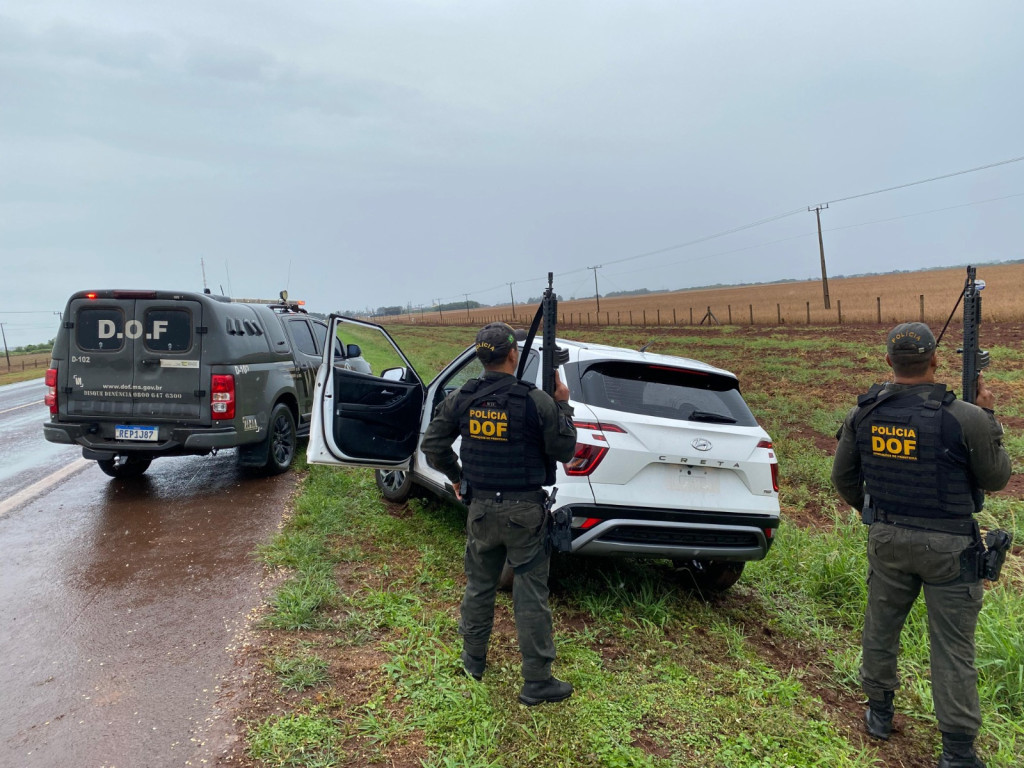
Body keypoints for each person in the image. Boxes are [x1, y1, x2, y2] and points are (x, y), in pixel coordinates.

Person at [831, 322, 1011, 768]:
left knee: (881, 625)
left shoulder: (864, 413)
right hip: (950, 547)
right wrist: (988, 416)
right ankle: (957, 751)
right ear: (935, 361)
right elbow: (997, 478)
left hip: (887, 536)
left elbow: (843, 478)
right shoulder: (965, 417)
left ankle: (878, 714)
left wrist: (875, 514)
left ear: (889, 362)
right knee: (952, 646)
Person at [420, 322, 578, 705]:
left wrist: (459, 479)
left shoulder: (462, 397)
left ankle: (473, 661)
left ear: (479, 356)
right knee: (530, 593)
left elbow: (432, 446)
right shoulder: (535, 400)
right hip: (525, 512)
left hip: (480, 509)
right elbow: (564, 450)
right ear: (512, 355)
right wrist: (562, 403)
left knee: (479, 586)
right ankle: (536, 681)